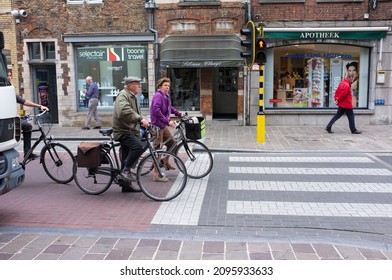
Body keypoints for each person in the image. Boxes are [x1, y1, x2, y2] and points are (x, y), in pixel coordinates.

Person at [113, 76, 149, 192]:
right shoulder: (123, 95)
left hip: (130, 130)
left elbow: (135, 112)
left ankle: (125, 186)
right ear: (129, 86)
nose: (139, 86)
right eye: (137, 84)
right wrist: (139, 119)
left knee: (126, 157)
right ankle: (125, 171)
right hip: (123, 131)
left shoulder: (132, 96)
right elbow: (124, 111)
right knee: (138, 146)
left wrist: (143, 119)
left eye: (140, 84)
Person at [7, 70, 49, 159]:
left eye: (10, 75)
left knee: (27, 126)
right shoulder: (5, 91)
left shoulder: (10, 91)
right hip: (7, 121)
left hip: (14, 118)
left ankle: (27, 153)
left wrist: (39, 106)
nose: (9, 78)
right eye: (7, 76)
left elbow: (24, 101)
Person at [150, 77, 183, 181]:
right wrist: (168, 121)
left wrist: (179, 113)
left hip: (163, 125)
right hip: (157, 126)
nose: (167, 87)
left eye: (168, 86)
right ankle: (156, 175)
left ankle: (165, 161)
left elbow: (170, 108)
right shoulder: (158, 96)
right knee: (158, 150)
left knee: (173, 143)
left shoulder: (166, 96)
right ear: (160, 86)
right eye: (165, 85)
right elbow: (156, 110)